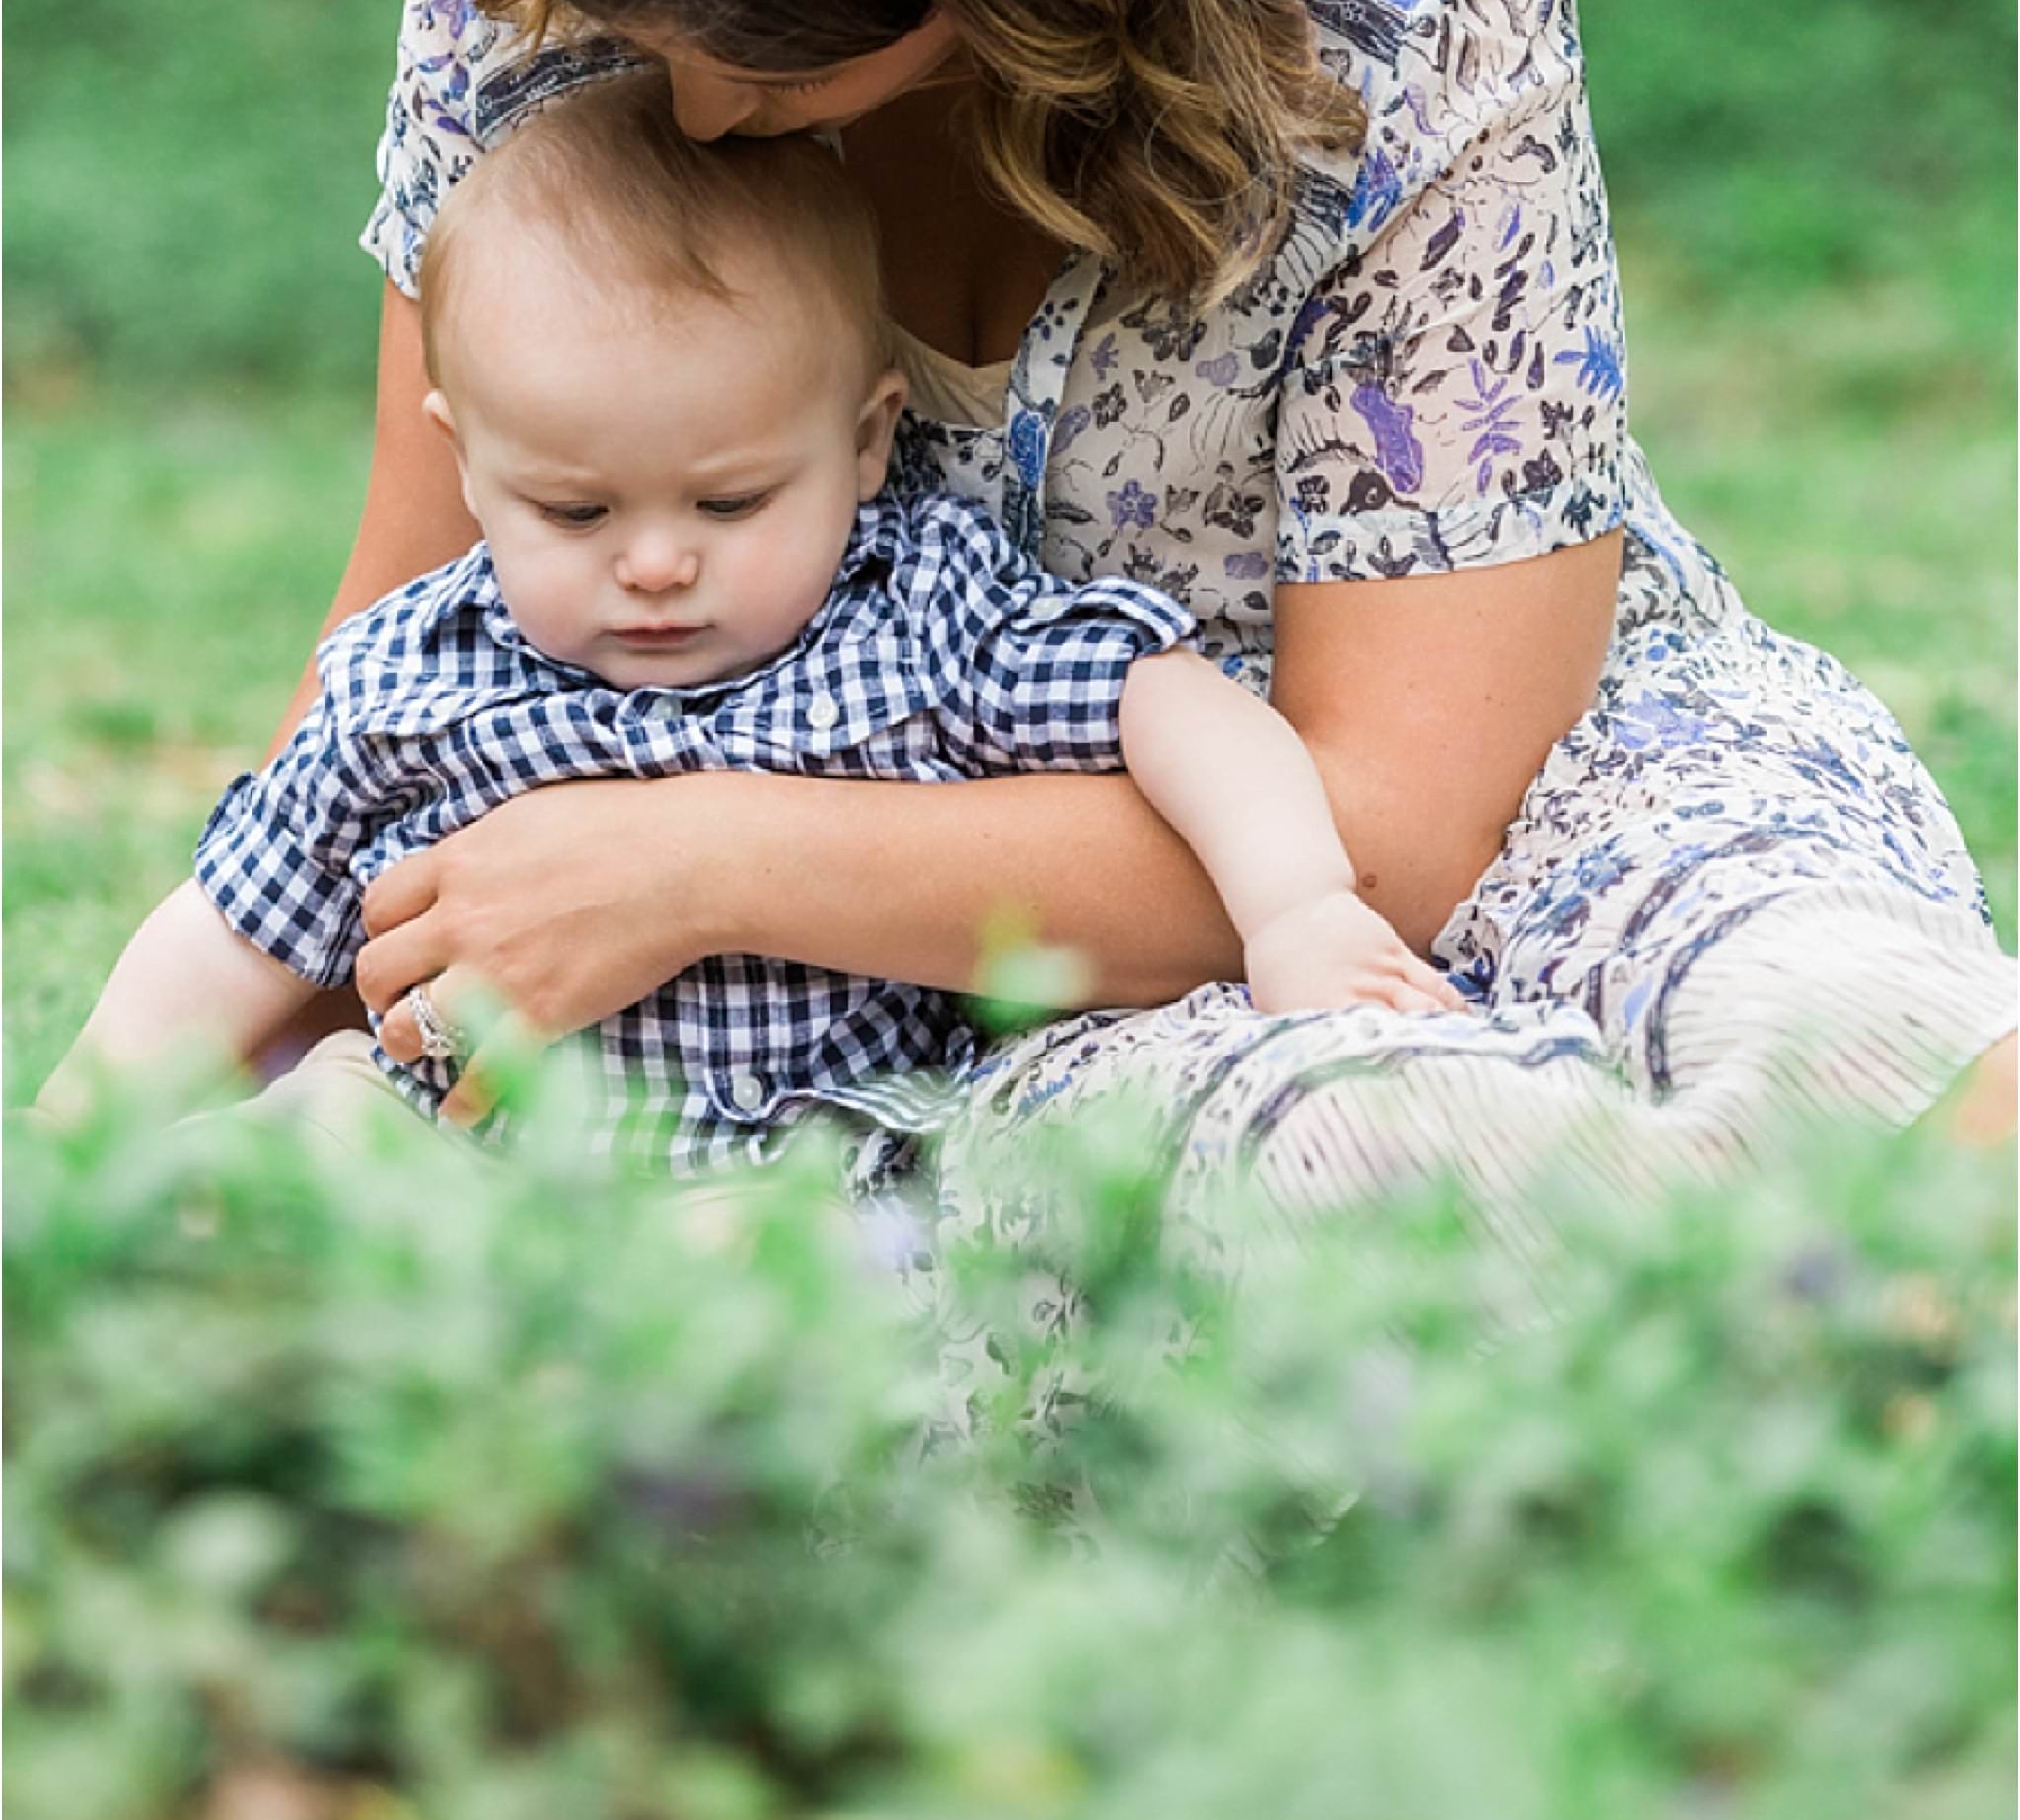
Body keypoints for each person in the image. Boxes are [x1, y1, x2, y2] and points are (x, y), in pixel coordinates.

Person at [157, 0, 2013, 1240]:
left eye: (786, 51)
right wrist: (276, 1079)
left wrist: (710, 860)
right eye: (649, 41)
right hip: (931, 993)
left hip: (1466, 794)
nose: (698, 111)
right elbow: (408, 640)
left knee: (1857, 1035)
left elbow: (1404, 821)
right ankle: (1740, 1320)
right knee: (1334, 1165)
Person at [37, 75, 1457, 1164]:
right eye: (576, 514)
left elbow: (1170, 699)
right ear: (465, 461)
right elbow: (233, 925)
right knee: (331, 1153)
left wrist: (1298, 903)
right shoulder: (412, 675)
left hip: (817, 1178)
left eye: (727, 505)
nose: (656, 565)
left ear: (863, 442)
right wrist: (70, 1140)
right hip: (470, 1169)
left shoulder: (915, 615)